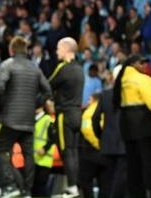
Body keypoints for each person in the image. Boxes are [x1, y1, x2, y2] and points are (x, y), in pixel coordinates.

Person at [0, 36, 52, 198]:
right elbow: (48, 90)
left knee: (2, 151)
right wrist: (34, 104)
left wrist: (3, 105)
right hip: (28, 120)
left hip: (10, 119)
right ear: (26, 51)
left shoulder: (7, 65)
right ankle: (27, 191)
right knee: (28, 156)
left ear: (11, 50)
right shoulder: (35, 68)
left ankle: (11, 186)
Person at [113, 54, 151, 198]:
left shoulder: (121, 80)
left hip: (127, 127)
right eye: (142, 63)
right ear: (135, 64)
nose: (145, 66)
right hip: (145, 126)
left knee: (133, 166)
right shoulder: (143, 79)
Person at [49, 37, 84, 198]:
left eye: (58, 48)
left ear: (67, 49)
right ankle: (75, 186)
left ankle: (72, 187)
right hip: (77, 113)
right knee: (74, 152)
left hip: (65, 114)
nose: (57, 51)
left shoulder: (63, 68)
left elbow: (48, 84)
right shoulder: (80, 68)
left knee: (67, 152)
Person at [92, 85, 128, 198]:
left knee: (108, 178)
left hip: (108, 144)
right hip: (125, 143)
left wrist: (101, 135)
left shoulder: (106, 94)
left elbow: (95, 117)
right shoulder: (129, 93)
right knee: (122, 178)